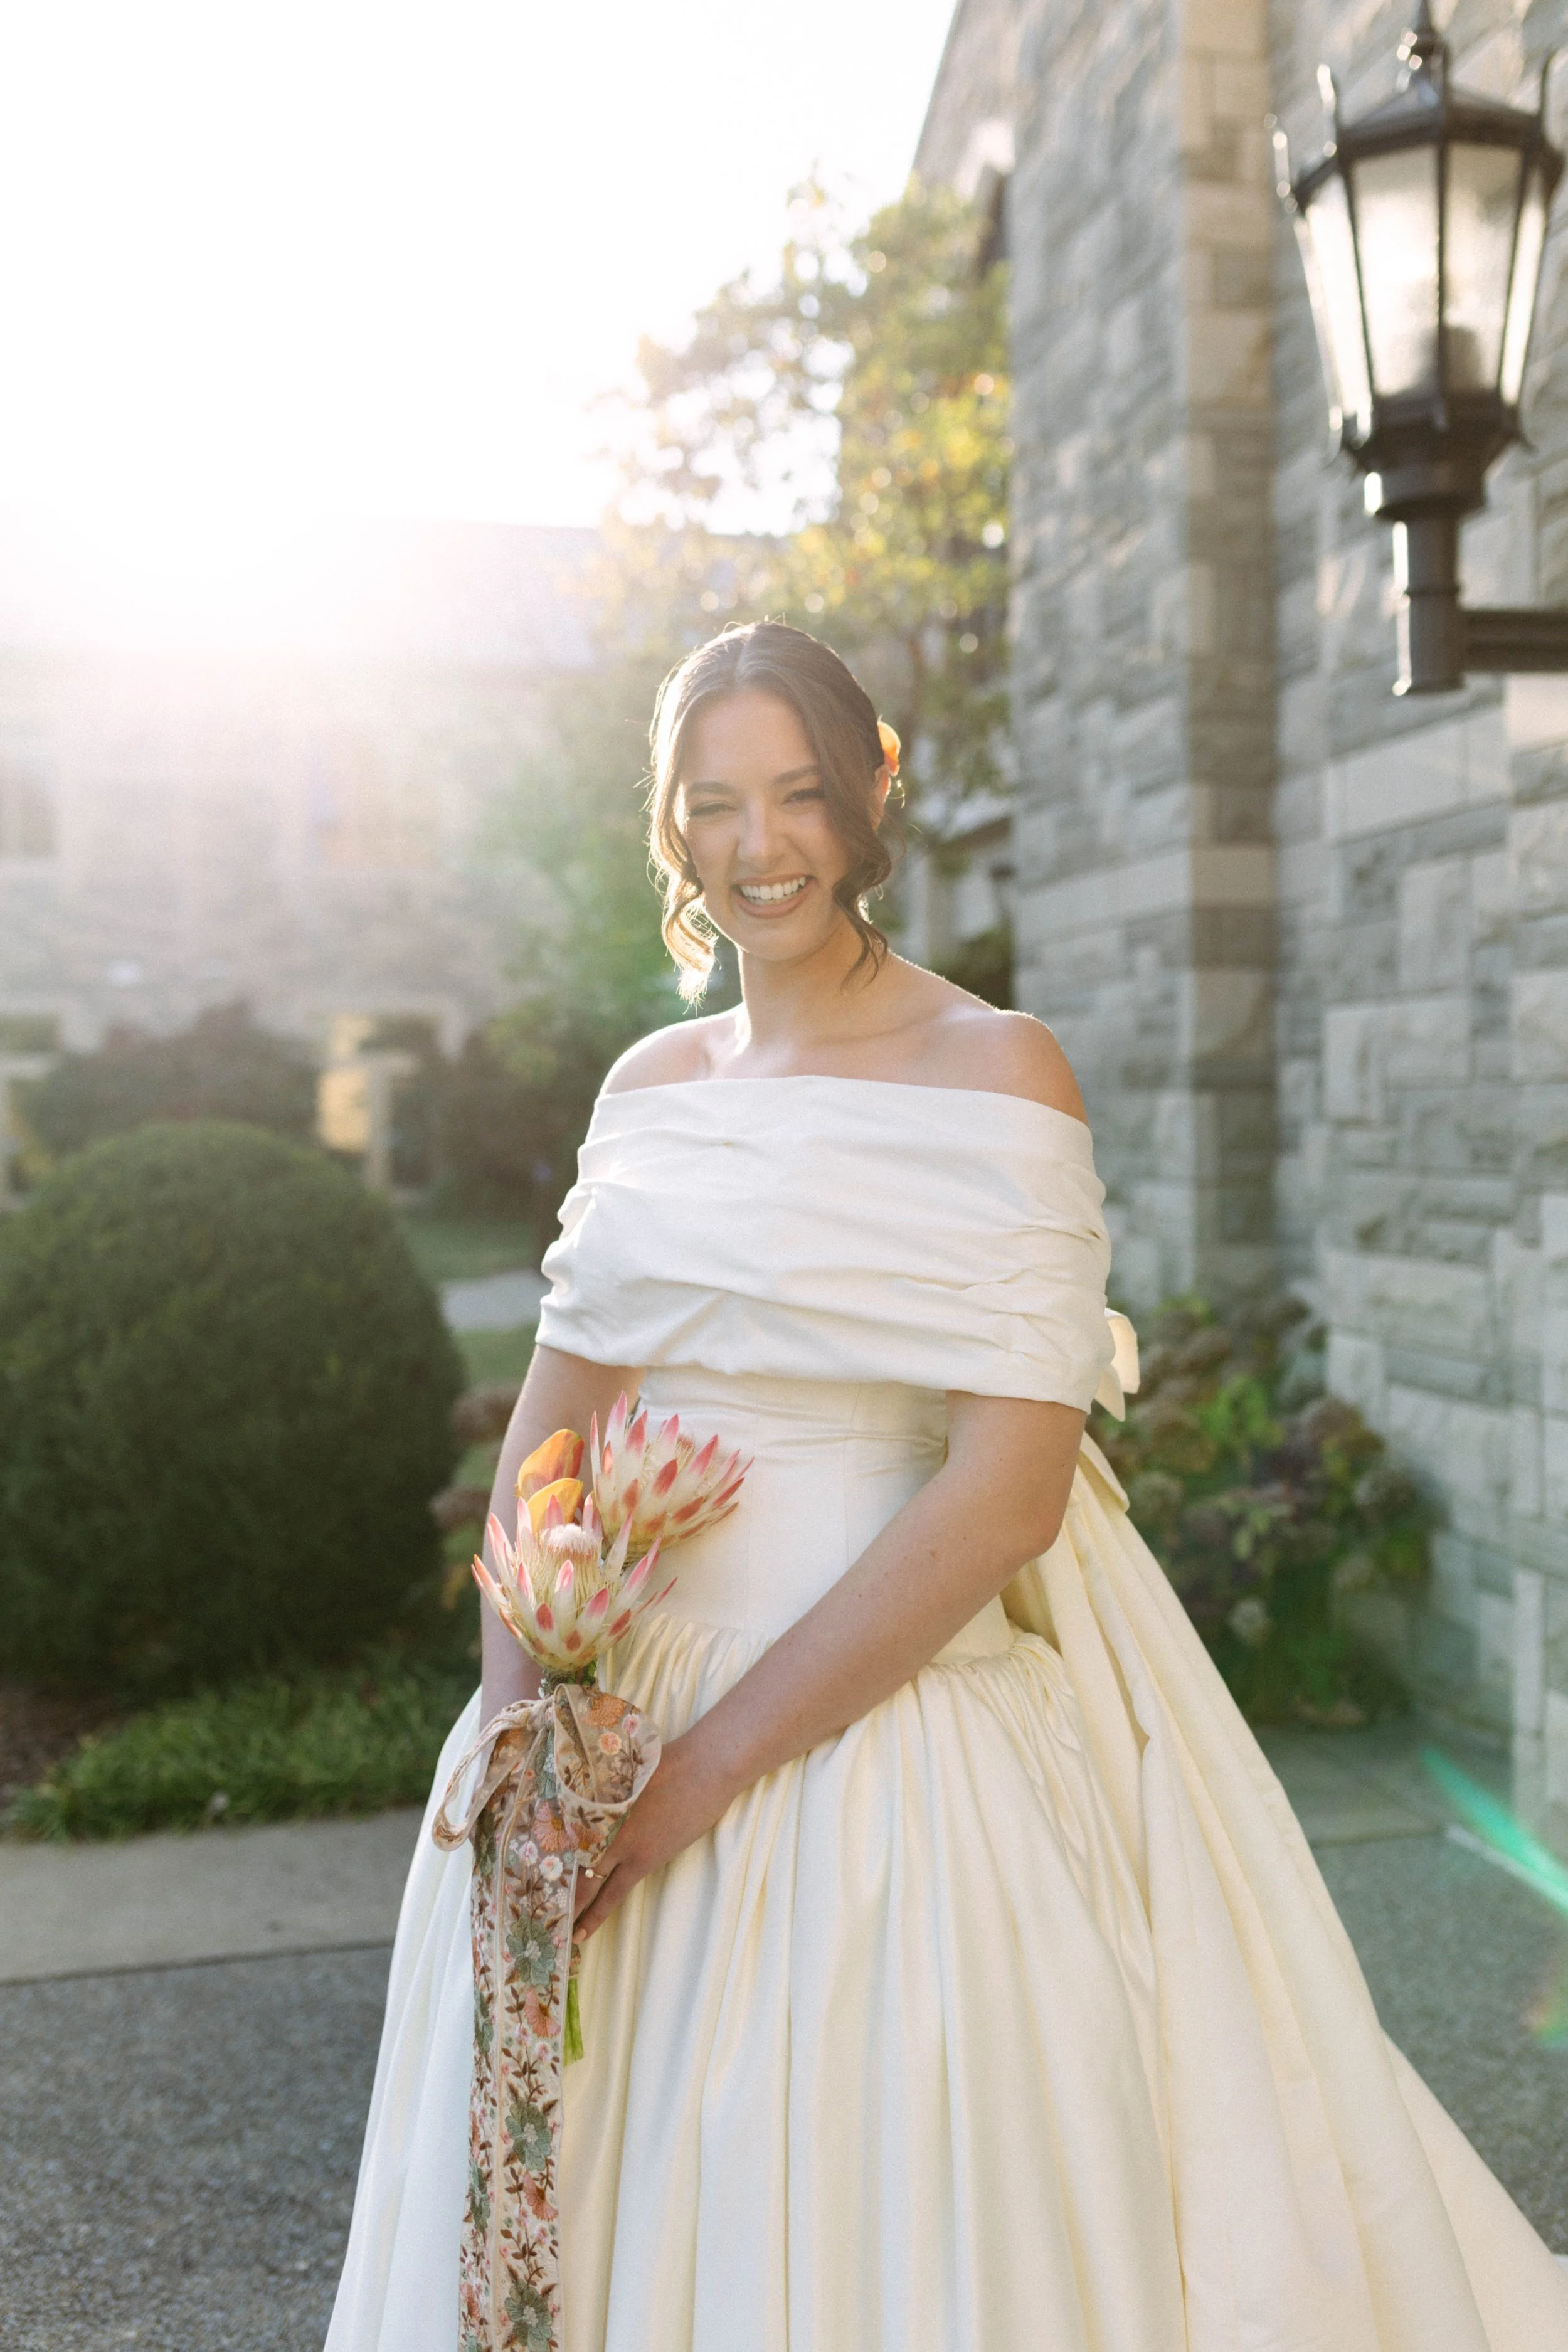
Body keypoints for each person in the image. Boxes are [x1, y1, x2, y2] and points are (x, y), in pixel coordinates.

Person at [326, 622, 1568, 2352]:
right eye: (714, 806)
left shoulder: (996, 1070)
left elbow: (1001, 1499)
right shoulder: (649, 1092)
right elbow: (543, 1452)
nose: (759, 845)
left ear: (874, 792)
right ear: (669, 829)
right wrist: (533, 1761)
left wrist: (693, 1787)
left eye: (799, 795)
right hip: (611, 1750)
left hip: (890, 1759)